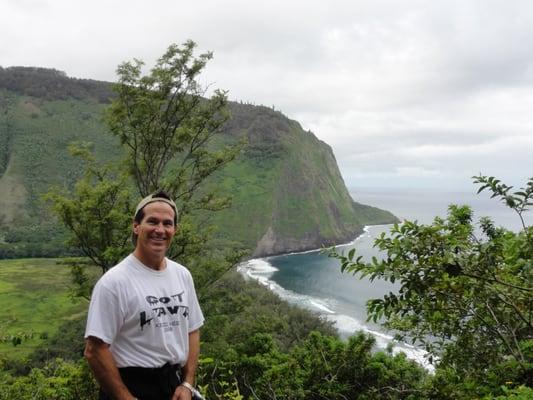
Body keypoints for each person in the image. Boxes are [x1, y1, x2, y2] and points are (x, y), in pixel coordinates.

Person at [84, 191, 204, 400]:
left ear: (175, 229)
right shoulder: (115, 282)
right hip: (130, 386)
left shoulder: (182, 275)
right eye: (152, 222)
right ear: (136, 226)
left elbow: (192, 330)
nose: (160, 230)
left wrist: (186, 383)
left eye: (167, 223)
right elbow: (94, 350)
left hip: (172, 385)